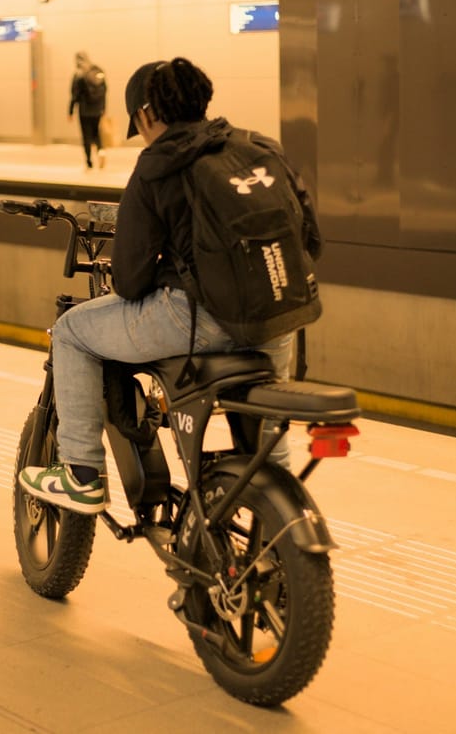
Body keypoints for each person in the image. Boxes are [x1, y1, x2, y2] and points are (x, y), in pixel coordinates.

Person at [20, 57, 322, 514]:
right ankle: (278, 530)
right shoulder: (259, 146)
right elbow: (311, 240)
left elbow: (129, 279)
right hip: (279, 317)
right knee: (269, 451)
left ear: (145, 115)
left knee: (71, 332)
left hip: (202, 319)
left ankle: (81, 473)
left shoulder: (159, 164)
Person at [68, 51, 107, 169]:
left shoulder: (79, 75)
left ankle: (89, 161)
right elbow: (105, 91)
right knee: (97, 134)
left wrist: (70, 111)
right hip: (97, 110)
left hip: (84, 111)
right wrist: (103, 108)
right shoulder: (98, 72)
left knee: (86, 136)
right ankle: (101, 152)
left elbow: (74, 95)